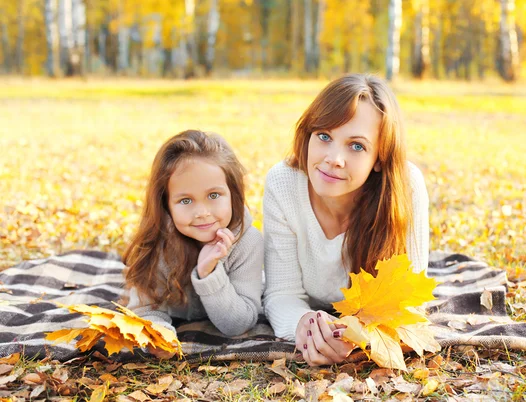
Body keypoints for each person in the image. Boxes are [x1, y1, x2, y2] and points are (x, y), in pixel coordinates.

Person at [262, 74, 429, 366]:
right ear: (308, 135)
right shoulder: (284, 183)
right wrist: (305, 326)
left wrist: (359, 339)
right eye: (324, 136)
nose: (333, 158)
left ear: (379, 157)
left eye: (356, 146)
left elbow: (410, 304)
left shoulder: (406, 188)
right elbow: (281, 293)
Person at [124, 130, 263, 359]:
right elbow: (145, 310)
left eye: (214, 195)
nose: (202, 213)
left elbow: (239, 325)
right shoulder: (157, 242)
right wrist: (160, 334)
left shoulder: (248, 242)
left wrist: (208, 273)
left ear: (233, 194)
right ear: (166, 204)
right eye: (185, 200)